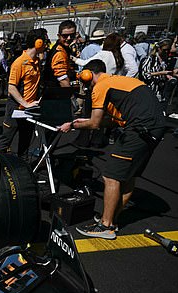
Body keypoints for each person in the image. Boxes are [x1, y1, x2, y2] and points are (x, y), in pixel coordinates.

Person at [58, 60, 166, 239]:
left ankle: (105, 225)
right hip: (155, 127)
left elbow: (94, 123)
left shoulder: (102, 85)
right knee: (127, 178)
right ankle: (112, 220)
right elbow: (109, 121)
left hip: (140, 128)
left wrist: (73, 125)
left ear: (88, 74)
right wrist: (78, 123)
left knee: (111, 176)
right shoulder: (119, 82)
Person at [0, 28, 48, 157]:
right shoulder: (19, 63)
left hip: (30, 109)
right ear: (39, 43)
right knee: (5, 141)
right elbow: (11, 87)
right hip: (16, 108)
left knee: (25, 144)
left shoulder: (36, 62)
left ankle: (22, 170)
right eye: (45, 41)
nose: (47, 45)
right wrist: (25, 103)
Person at [44, 20, 77, 88]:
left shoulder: (64, 48)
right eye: (65, 36)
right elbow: (63, 79)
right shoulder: (59, 53)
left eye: (72, 35)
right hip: (56, 93)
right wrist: (70, 95)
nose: (69, 38)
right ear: (59, 36)